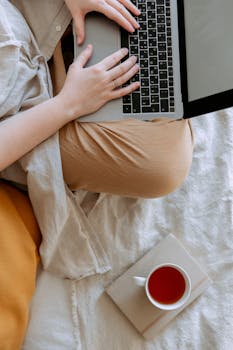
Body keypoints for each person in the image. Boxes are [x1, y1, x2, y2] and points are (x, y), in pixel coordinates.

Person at [0, 0, 194, 348]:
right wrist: (68, 105)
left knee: (150, 25)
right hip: (25, 113)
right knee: (163, 166)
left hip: (32, 18)